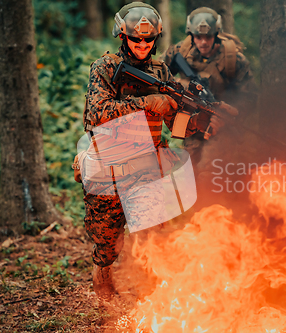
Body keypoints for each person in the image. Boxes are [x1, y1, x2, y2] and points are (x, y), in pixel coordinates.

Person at [74, 2, 226, 301]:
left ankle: (155, 295)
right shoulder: (104, 68)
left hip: (146, 166)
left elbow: (175, 121)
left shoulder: (160, 71)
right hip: (109, 165)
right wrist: (145, 103)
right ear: (122, 36)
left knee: (154, 234)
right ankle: (102, 277)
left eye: (148, 39)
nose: (142, 44)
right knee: (107, 239)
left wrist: (203, 123)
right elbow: (97, 114)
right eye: (136, 38)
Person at [160, 7, 254, 164]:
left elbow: (249, 97)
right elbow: (156, 73)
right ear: (191, 35)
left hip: (221, 129)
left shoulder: (233, 59)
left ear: (216, 35)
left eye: (208, 37)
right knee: (193, 177)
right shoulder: (180, 51)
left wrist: (229, 113)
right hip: (191, 127)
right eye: (198, 36)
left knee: (211, 174)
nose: (203, 42)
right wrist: (178, 87)